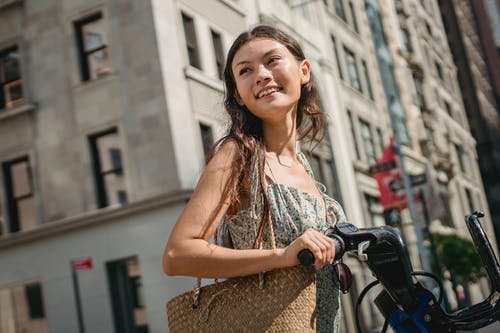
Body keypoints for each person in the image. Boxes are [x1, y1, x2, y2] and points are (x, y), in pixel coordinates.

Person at [163, 25, 347, 332]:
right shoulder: (238, 155)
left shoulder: (304, 166)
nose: (261, 75)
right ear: (238, 94)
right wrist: (282, 256)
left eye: (272, 60)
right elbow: (177, 255)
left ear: (304, 71)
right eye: (246, 70)